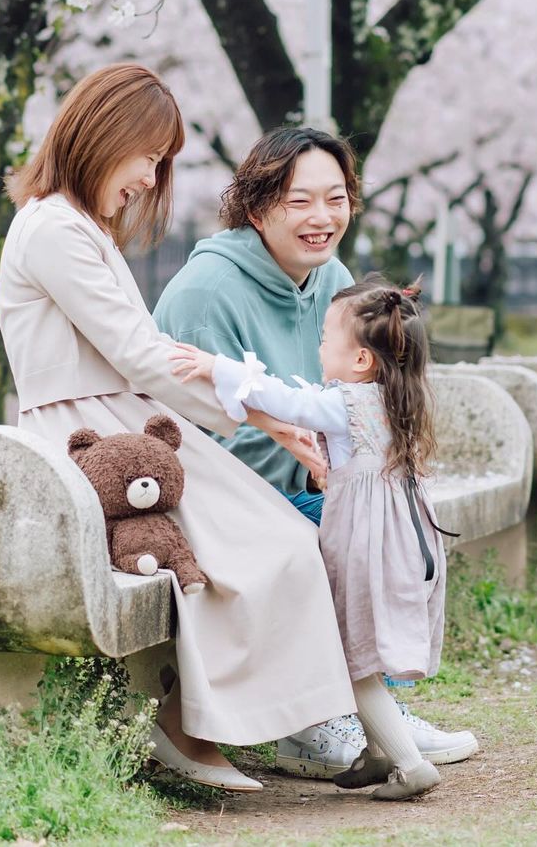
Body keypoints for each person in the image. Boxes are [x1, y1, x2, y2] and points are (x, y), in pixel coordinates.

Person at [0, 64, 357, 794]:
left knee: (280, 537)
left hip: (123, 424)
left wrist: (261, 413)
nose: (150, 176)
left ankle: (251, 717)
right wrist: (262, 412)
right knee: (268, 539)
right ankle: (200, 719)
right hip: (94, 437)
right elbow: (139, 351)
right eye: (149, 155)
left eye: (161, 161)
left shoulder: (72, 224)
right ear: (105, 137)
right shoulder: (52, 229)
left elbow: (138, 353)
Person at [153, 128, 478, 776]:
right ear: (257, 206)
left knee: (387, 539)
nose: (322, 217)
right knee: (320, 545)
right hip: (211, 491)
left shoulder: (332, 276)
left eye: (336, 198)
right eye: (300, 201)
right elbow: (190, 428)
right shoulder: (206, 291)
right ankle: (311, 719)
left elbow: (352, 390)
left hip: (311, 482)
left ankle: (371, 705)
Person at [172, 276, 451, 800]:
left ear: (362, 360)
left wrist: (218, 367)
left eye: (326, 337)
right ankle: (377, 753)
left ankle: (411, 765)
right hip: (403, 545)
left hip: (364, 548)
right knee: (363, 650)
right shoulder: (393, 402)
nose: (318, 345)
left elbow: (284, 401)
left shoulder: (347, 405)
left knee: (353, 659)